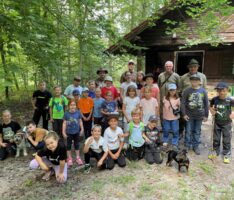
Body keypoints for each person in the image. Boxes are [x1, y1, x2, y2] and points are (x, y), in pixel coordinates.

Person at [181, 74, 209, 155]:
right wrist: (184, 114)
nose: (194, 82)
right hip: (189, 115)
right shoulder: (187, 91)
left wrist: (206, 115)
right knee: (188, 130)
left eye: (196, 80)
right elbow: (182, 103)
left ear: (199, 82)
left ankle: (195, 146)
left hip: (200, 115)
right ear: (190, 81)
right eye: (193, 80)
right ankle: (187, 145)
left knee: (197, 131)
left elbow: (206, 103)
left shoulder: (203, 91)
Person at [180, 59, 207, 139]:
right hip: (187, 105)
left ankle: (195, 140)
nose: (193, 68)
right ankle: (186, 139)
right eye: (191, 67)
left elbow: (204, 90)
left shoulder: (203, 76)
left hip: (198, 106)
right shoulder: (183, 77)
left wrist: (205, 111)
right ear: (188, 67)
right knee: (186, 124)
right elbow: (180, 89)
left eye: (195, 67)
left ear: (197, 67)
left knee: (197, 127)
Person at [209, 82, 234, 164]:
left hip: (227, 123)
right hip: (217, 122)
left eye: (223, 90)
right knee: (216, 138)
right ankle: (216, 151)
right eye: (219, 90)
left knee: (226, 139)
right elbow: (210, 106)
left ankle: (226, 153)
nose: (221, 92)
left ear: (227, 91)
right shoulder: (215, 99)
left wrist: (233, 114)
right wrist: (212, 111)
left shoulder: (230, 100)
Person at [62, 100, 84, 166]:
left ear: (76, 106)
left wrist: (82, 129)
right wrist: (63, 132)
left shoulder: (78, 112)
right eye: (71, 105)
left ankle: (78, 157)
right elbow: (64, 123)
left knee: (77, 144)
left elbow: (80, 121)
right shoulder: (66, 113)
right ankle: (69, 158)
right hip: (69, 132)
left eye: (74, 105)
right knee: (68, 145)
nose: (72, 106)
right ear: (68, 106)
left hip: (76, 132)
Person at [162, 84, 180, 150]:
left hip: (174, 118)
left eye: (174, 90)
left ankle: (175, 142)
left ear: (176, 90)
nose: (172, 92)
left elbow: (179, 107)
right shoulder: (164, 98)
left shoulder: (178, 99)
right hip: (166, 118)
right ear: (168, 91)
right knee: (166, 130)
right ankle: (165, 141)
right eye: (171, 90)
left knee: (175, 130)